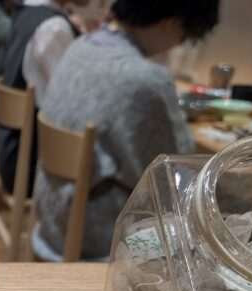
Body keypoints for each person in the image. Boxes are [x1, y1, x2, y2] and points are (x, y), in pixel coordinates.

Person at [32, 0, 219, 261]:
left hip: (51, 220)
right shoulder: (146, 80)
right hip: (104, 242)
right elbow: (175, 172)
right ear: (171, 24)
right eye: (184, 35)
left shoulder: (80, 46)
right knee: (212, 227)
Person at [0, 0, 88, 196]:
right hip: (30, 167)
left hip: (9, 152)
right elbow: (70, 103)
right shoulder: (54, 27)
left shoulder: (27, 10)